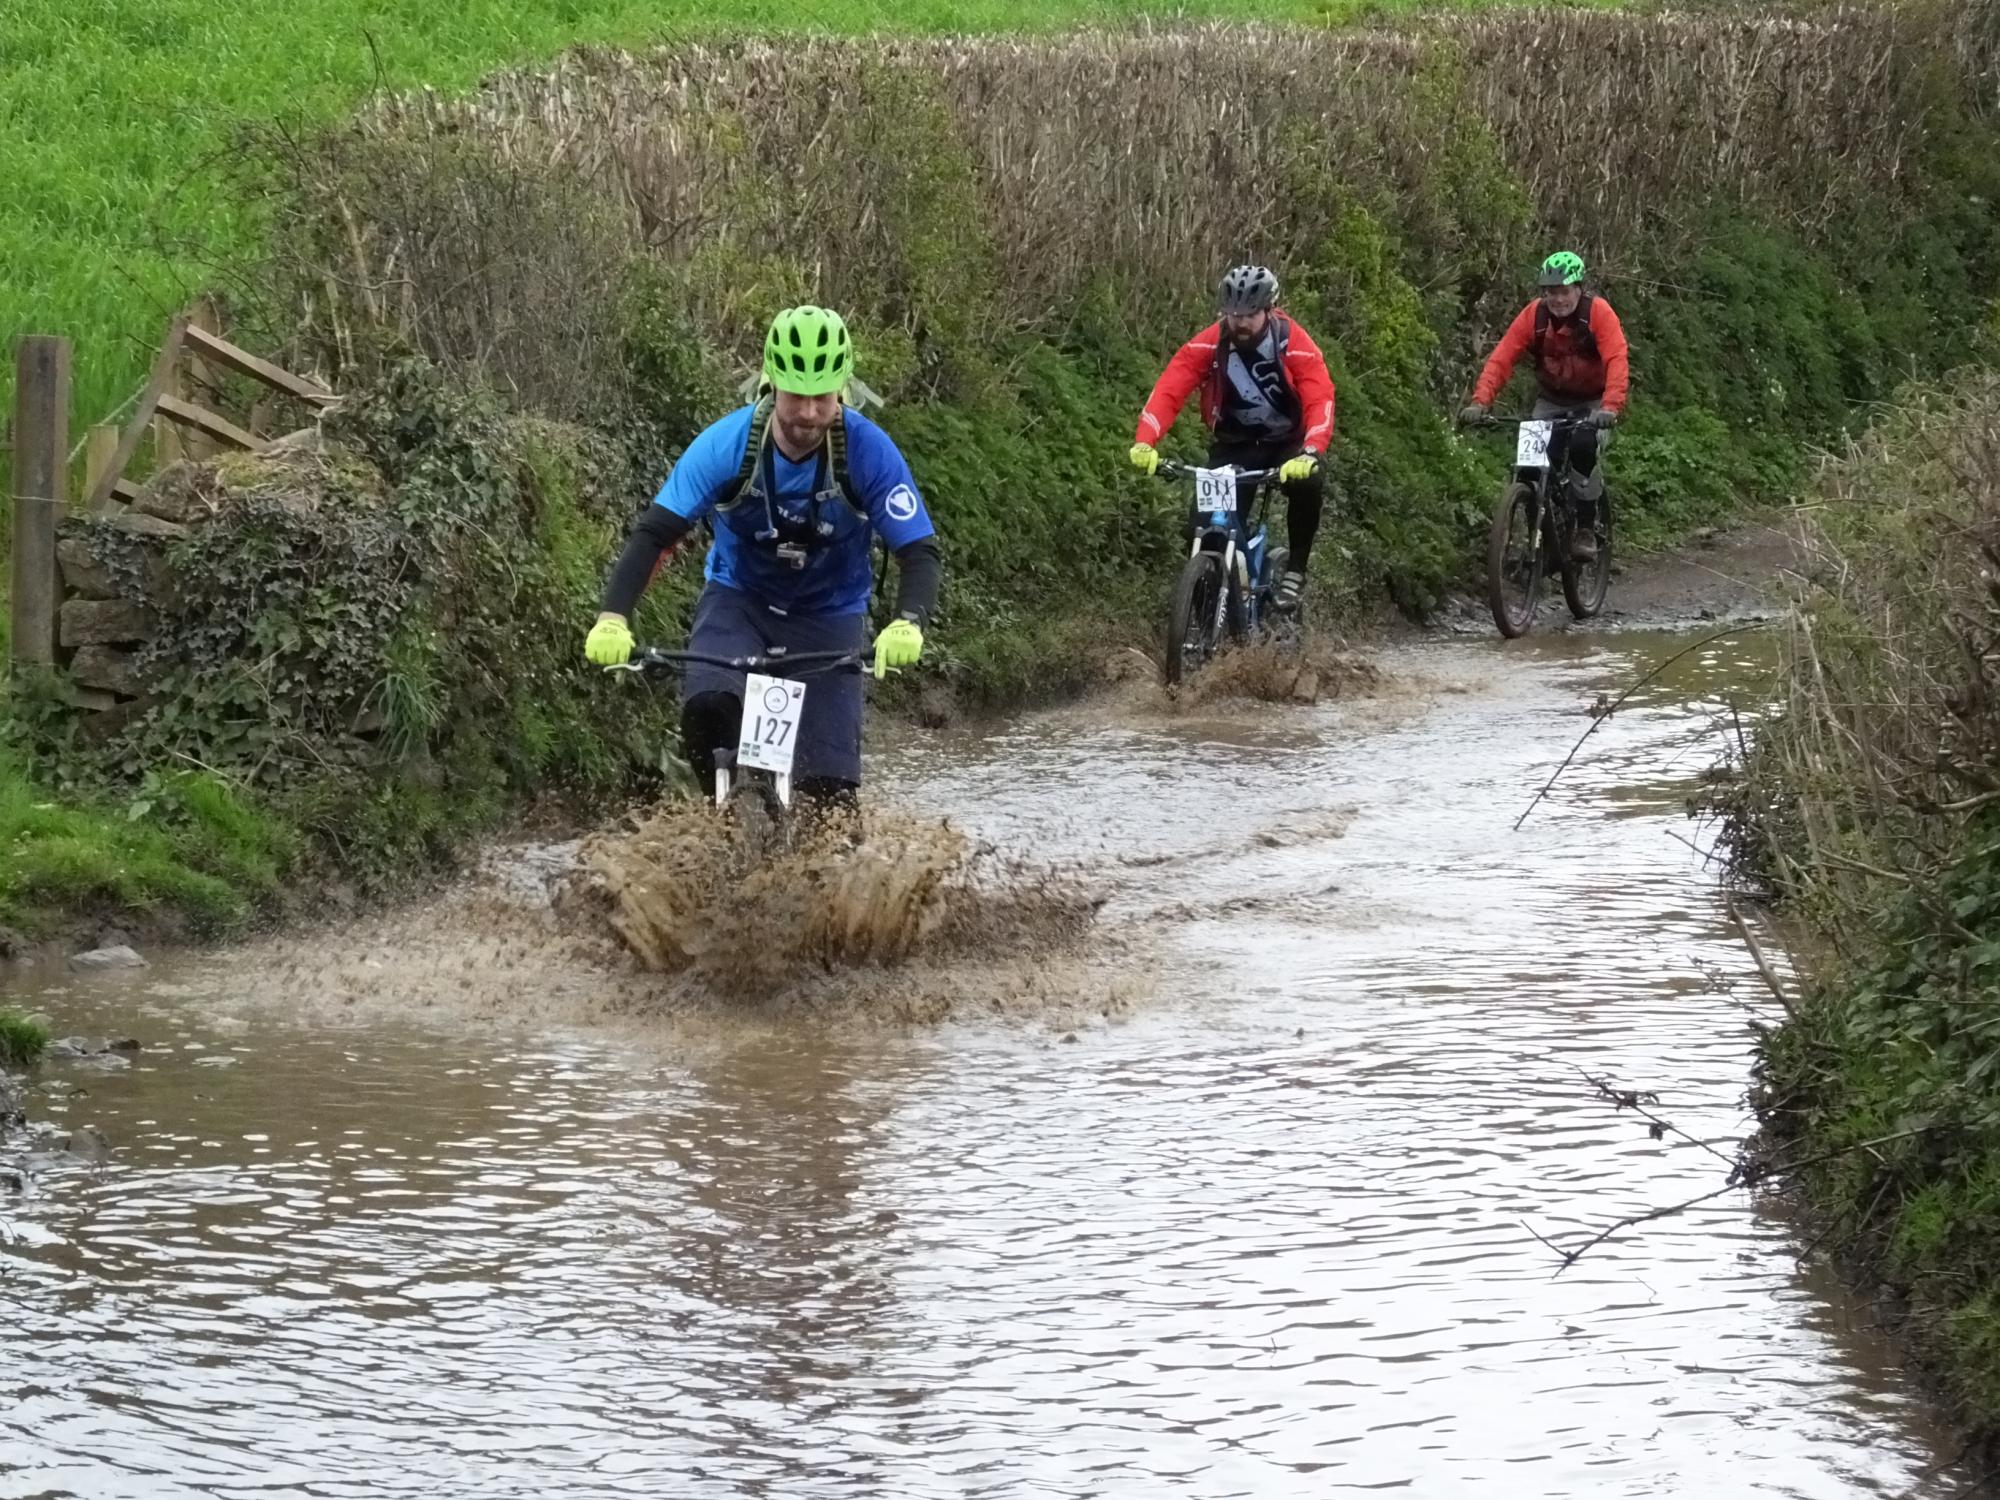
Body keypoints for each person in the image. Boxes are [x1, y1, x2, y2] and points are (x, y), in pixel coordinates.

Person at [582, 305, 941, 807]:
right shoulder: (726, 446)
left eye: (823, 397)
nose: (810, 414)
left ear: (843, 387)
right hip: (739, 601)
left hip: (829, 614)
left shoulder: (867, 451)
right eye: (796, 396)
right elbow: (655, 534)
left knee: (830, 798)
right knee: (708, 707)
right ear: (771, 384)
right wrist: (612, 618)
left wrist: (907, 623)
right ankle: (721, 816)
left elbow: (918, 551)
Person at [1128, 265, 1336, 614]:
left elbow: (1320, 398)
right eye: (1233, 314)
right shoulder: (1211, 342)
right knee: (1202, 526)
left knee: (1308, 483)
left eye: (1250, 315)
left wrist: (1311, 450)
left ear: (1269, 310)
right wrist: (1145, 441)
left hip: (1286, 441)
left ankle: (1296, 570)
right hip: (1236, 442)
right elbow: (1169, 389)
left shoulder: (1293, 343)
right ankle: (1209, 613)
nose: (1240, 323)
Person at [1461, 251, 1629, 560]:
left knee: (1581, 447)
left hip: (1593, 403)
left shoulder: (1599, 314)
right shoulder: (1534, 316)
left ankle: (1585, 527)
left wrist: (1610, 407)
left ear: (1579, 289)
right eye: (1551, 292)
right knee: (1529, 466)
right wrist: (1481, 401)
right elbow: (1502, 357)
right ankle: (1535, 537)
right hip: (1551, 401)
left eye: (1564, 291)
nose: (1558, 299)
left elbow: (1617, 360)